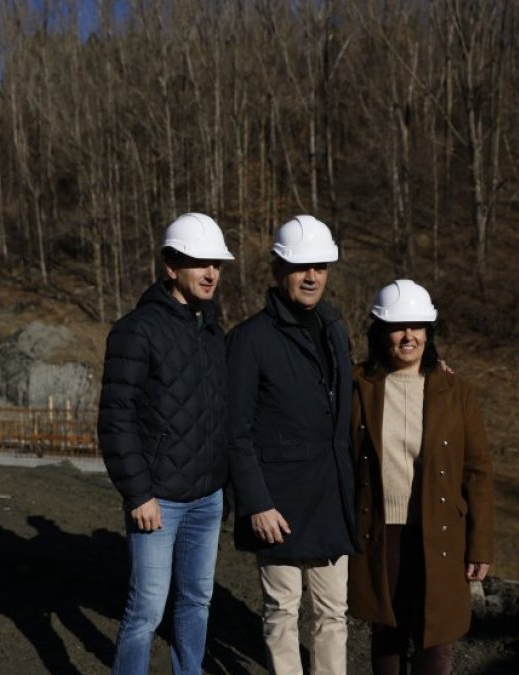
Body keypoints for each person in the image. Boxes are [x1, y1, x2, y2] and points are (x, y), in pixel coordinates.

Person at [98, 212, 234, 675]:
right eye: (199, 262)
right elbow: (116, 419)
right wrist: (138, 493)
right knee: (146, 611)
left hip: (207, 498)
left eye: (216, 262)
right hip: (159, 500)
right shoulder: (137, 330)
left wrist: (223, 487)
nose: (211, 272)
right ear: (171, 266)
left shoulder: (214, 330)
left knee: (197, 599)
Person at [227, 215, 356, 675]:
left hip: (330, 500)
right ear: (279, 269)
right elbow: (234, 432)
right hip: (277, 506)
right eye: (301, 267)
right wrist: (256, 503)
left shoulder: (335, 332)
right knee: (282, 613)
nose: (312, 276)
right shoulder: (249, 340)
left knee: (334, 614)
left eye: (320, 266)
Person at [348, 279, 494, 675]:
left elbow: (477, 471)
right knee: (387, 634)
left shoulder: (456, 391)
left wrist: (479, 545)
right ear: (381, 333)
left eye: (417, 326)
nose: (408, 335)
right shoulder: (358, 385)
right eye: (398, 326)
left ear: (429, 333)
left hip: (440, 530)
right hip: (380, 530)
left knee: (435, 639)